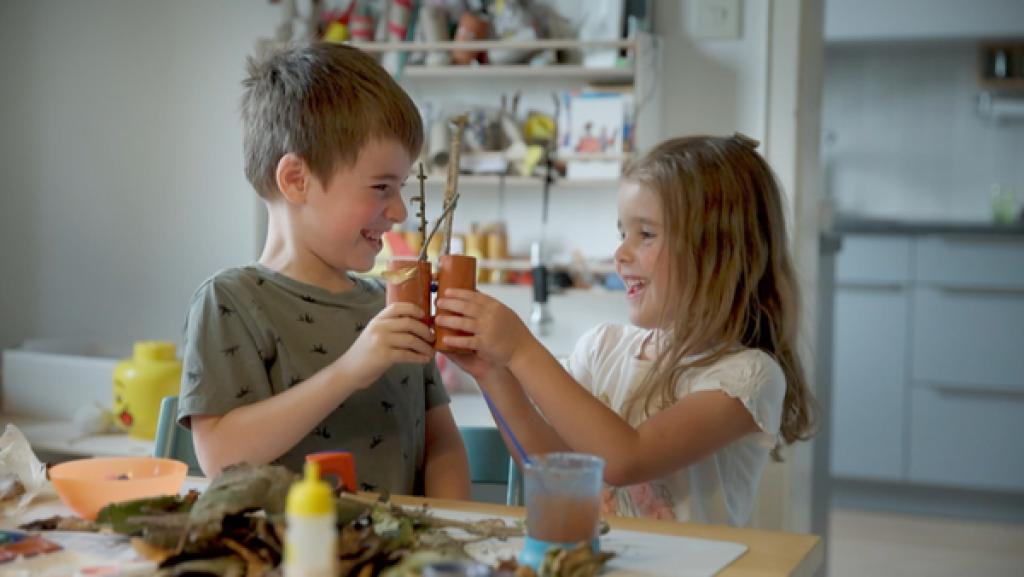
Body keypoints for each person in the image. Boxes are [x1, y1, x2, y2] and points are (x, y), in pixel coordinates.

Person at [435, 134, 816, 525]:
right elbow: (556, 469)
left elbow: (626, 458)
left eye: (646, 234)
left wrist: (520, 349)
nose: (620, 253)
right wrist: (492, 373)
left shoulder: (747, 377)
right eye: (622, 234)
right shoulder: (602, 347)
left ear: (717, 250)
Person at [178, 43, 470, 499]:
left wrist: (447, 528)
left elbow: (442, 446)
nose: (398, 211)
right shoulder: (232, 300)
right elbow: (221, 457)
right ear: (297, 180)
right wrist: (352, 369)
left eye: (400, 188)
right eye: (381, 187)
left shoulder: (391, 302)